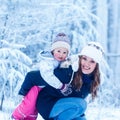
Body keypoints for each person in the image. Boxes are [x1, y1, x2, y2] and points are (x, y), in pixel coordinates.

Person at [11, 33, 75, 120]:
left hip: (44, 88)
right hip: (35, 86)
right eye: (58, 51)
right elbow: (47, 76)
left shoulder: (62, 62)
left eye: (64, 52)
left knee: (34, 107)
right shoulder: (48, 61)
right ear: (53, 51)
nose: (61, 54)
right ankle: (16, 117)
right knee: (29, 104)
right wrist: (61, 86)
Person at [36, 41, 105, 120]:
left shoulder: (93, 81)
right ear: (80, 58)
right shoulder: (69, 70)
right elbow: (38, 77)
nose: (87, 63)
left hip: (66, 107)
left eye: (92, 61)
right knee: (82, 104)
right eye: (84, 59)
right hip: (48, 102)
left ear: (96, 65)